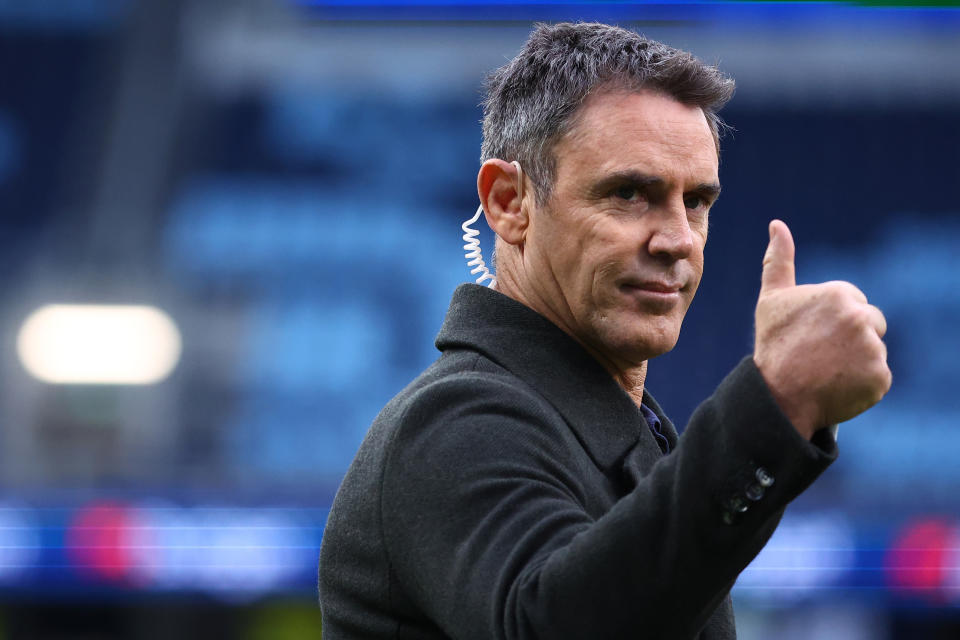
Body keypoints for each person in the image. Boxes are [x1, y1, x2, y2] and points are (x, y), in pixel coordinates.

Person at [318, 22, 890, 639]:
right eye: (628, 193)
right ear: (510, 203)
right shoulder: (457, 422)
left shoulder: (620, 425)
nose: (677, 240)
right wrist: (777, 403)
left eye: (696, 202)